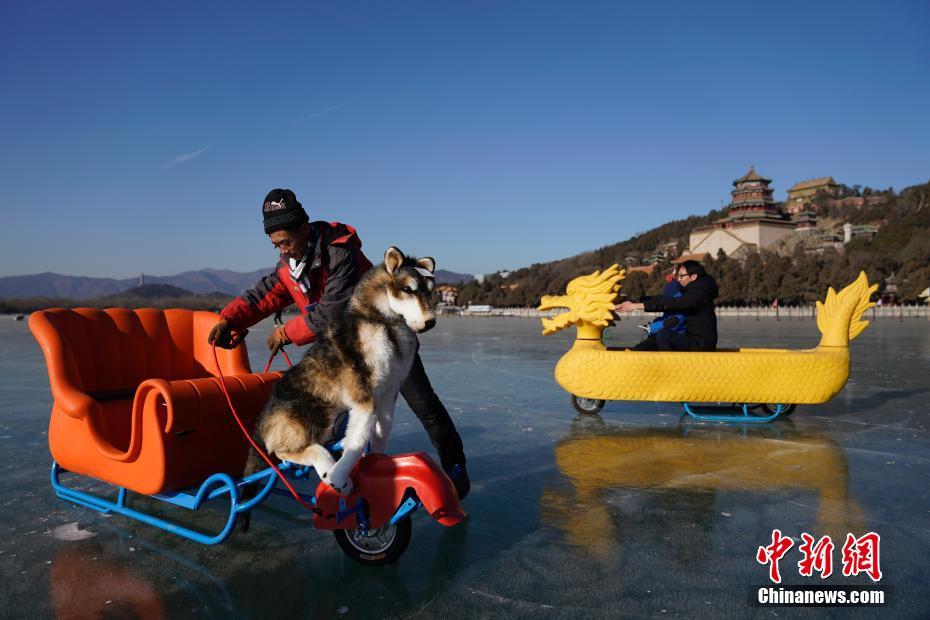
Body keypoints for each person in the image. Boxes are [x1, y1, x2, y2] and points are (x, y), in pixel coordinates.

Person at [207, 189, 470, 498]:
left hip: (390, 342)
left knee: (424, 405)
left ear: (303, 228)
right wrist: (229, 320)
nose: (282, 250)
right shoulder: (289, 267)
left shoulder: (340, 252)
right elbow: (263, 295)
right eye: (276, 245)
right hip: (347, 355)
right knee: (354, 417)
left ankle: (455, 467)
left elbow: (330, 310)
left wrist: (286, 333)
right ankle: (363, 480)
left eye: (286, 242)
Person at [615, 260, 718, 351]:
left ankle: (667, 365)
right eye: (678, 276)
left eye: (681, 276)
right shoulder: (692, 290)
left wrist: (637, 306)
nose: (679, 279)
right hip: (690, 338)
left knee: (664, 334)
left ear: (693, 276)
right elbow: (666, 299)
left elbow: (674, 303)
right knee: (656, 337)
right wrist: (636, 301)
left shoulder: (700, 294)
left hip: (701, 344)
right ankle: (635, 354)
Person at [641, 271, 688, 351]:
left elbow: (671, 323)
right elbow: (665, 319)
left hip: (674, 338)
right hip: (666, 335)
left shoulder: (681, 307)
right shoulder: (671, 305)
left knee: (647, 344)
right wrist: (653, 324)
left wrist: (650, 328)